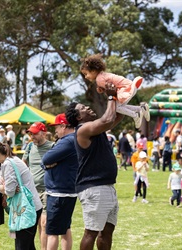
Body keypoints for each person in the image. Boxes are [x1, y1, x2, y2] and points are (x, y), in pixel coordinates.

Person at [65, 82, 123, 250]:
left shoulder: (97, 128)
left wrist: (124, 96)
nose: (88, 108)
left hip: (106, 187)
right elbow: (108, 118)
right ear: (78, 117)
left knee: (107, 231)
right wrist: (111, 96)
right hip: (94, 188)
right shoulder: (83, 130)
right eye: (83, 108)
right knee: (91, 232)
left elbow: (115, 117)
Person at [0, 139, 42, 250]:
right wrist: (4, 187)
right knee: (28, 245)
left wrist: (4, 187)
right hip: (31, 206)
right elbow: (0, 185)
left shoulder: (8, 164)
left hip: (26, 209)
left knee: (22, 246)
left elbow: (9, 191)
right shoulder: (9, 160)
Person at [80, 54, 150, 129]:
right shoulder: (102, 75)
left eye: (86, 74)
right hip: (127, 85)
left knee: (116, 107)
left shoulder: (99, 80)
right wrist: (103, 89)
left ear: (93, 71)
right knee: (120, 106)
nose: (85, 77)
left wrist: (106, 92)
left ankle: (135, 115)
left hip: (124, 89)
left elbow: (111, 91)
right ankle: (141, 108)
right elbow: (110, 87)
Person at [41, 113, 78, 250]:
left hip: (59, 193)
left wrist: (46, 164)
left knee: (52, 232)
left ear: (63, 126)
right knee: (65, 228)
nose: (55, 130)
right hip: (66, 191)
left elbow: (45, 159)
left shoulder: (67, 141)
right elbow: (47, 162)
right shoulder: (74, 138)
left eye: (56, 127)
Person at [22, 122, 54, 250]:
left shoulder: (53, 147)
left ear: (43, 133)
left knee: (44, 224)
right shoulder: (30, 147)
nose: (32, 136)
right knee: (32, 224)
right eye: (30, 133)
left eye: (34, 133)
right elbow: (23, 164)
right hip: (31, 192)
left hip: (47, 191)